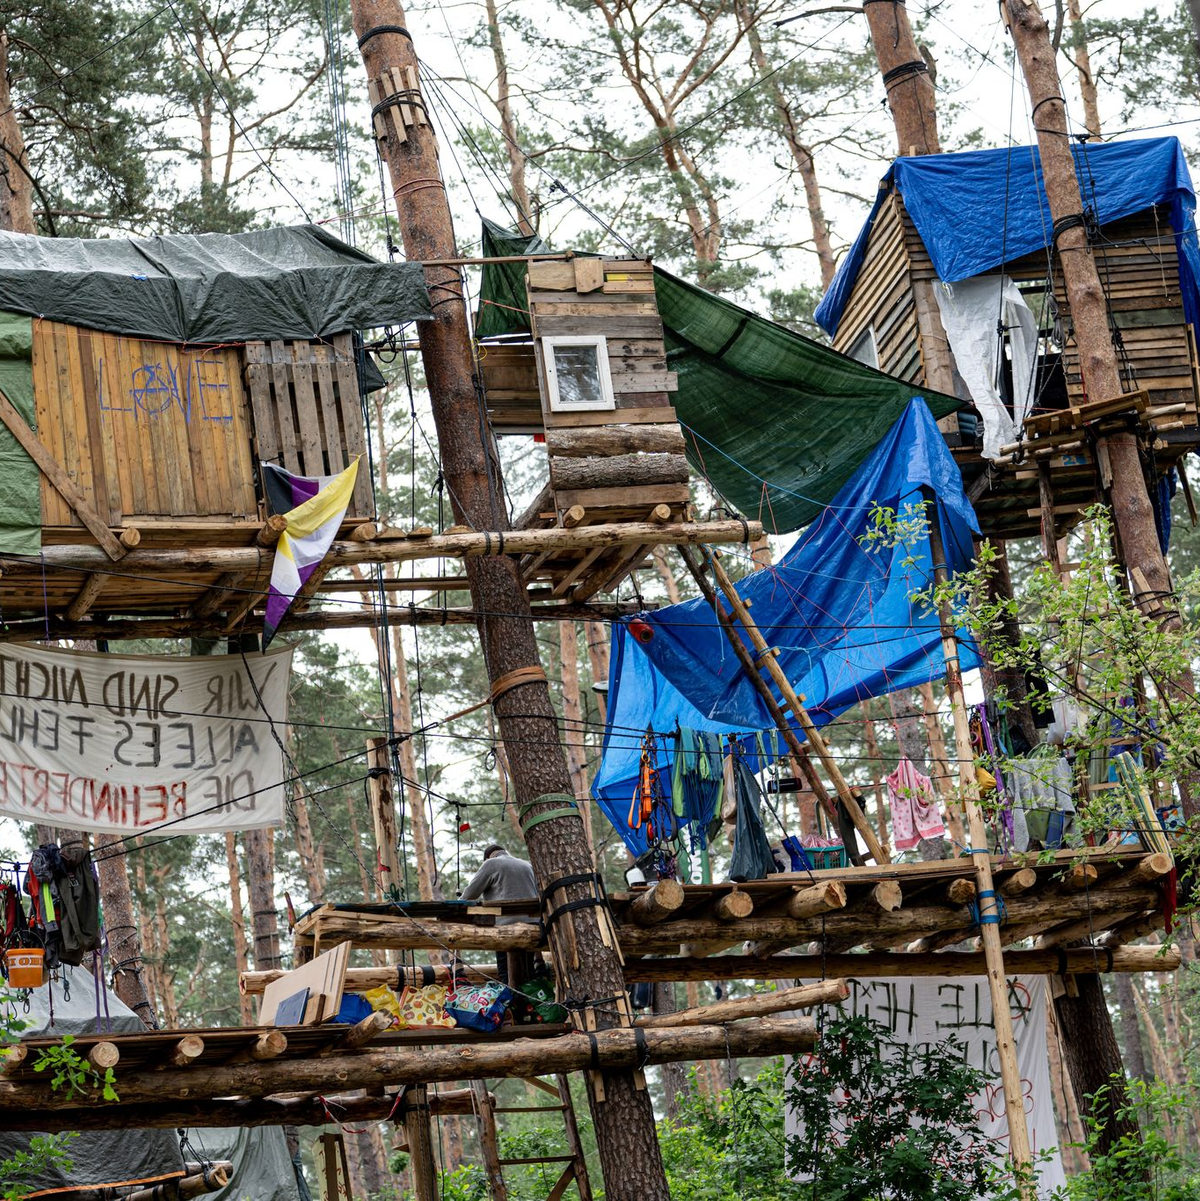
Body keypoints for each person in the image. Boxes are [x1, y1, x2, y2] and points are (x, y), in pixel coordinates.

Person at [460, 844, 539, 986]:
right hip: (533, 926)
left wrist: (457, 905)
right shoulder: (527, 865)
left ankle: (514, 1005)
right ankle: (531, 1005)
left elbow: (469, 895)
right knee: (529, 971)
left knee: (505, 972)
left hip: (506, 927)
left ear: (487, 857)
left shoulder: (491, 864)